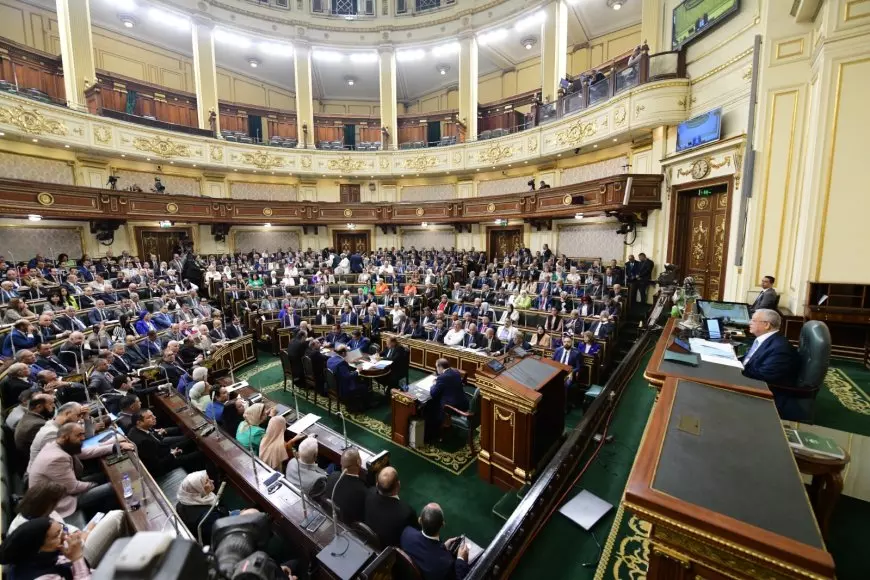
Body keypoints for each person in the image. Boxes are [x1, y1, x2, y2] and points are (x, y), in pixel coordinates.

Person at [8, 482, 125, 567]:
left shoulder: (37, 512)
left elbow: (65, 529)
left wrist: (78, 533)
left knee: (102, 517)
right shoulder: (30, 530)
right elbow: (68, 549)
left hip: (76, 541)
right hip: (74, 559)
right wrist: (87, 531)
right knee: (117, 515)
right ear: (46, 504)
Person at [29, 422, 129, 519]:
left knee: (106, 476)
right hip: (61, 502)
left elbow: (85, 451)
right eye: (79, 435)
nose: (83, 438)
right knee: (115, 486)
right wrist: (95, 484)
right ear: (65, 437)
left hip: (66, 489)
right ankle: (123, 519)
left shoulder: (56, 445)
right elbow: (73, 488)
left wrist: (115, 446)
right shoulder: (57, 458)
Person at [0, 517, 92, 580]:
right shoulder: (40, 577)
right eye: (57, 535)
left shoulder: (47, 554)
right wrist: (77, 558)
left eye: (61, 530)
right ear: (38, 548)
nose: (65, 536)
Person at [400, 503, 470, 580]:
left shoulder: (406, 533)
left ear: (419, 520)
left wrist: (443, 546)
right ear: (443, 525)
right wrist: (461, 559)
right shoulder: (446, 564)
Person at [128, 410, 200, 475]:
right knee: (197, 454)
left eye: (153, 415)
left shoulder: (134, 429)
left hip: (163, 451)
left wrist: (171, 450)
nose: (154, 417)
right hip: (164, 466)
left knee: (190, 441)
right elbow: (157, 465)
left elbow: (155, 441)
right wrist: (172, 454)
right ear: (139, 422)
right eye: (149, 417)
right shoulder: (144, 442)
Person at [741, 309, 800, 387]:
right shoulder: (763, 339)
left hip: (763, 391)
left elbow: (763, 377)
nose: (750, 323)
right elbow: (749, 360)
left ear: (767, 325)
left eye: (754, 320)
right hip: (749, 378)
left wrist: (736, 371)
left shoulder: (779, 348)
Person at [363, 466, 418, 547]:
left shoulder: (369, 493)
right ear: (398, 485)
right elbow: (415, 534)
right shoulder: (406, 512)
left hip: (367, 542)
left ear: (377, 484)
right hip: (388, 553)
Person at [175, 471, 232, 546]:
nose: (212, 481)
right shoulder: (208, 516)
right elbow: (220, 534)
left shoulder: (182, 503)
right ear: (198, 488)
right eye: (206, 482)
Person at [322, 448, 368, 524]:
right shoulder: (363, 492)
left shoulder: (333, 476)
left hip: (333, 519)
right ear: (359, 462)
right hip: (349, 527)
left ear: (341, 463)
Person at [427, 359, 468, 438]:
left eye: (436, 367)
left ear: (440, 367)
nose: (436, 369)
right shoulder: (455, 372)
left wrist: (433, 385)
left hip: (453, 406)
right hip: (463, 401)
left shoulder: (442, 377)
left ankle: (436, 426)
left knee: (431, 403)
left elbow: (433, 393)